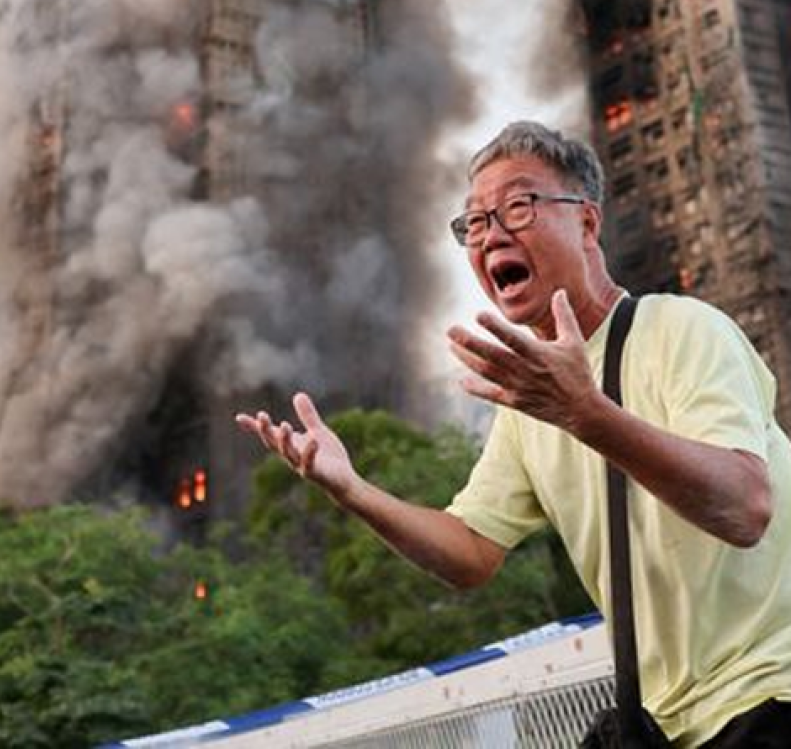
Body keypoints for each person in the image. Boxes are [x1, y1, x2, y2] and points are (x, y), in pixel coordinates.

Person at [236, 121, 791, 748]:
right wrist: (354, 491)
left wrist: (586, 413)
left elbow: (745, 508)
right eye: (474, 222)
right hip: (664, 726)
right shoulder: (532, 406)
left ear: (587, 222)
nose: (491, 233)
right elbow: (471, 553)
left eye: (519, 206)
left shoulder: (682, 329)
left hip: (769, 694)